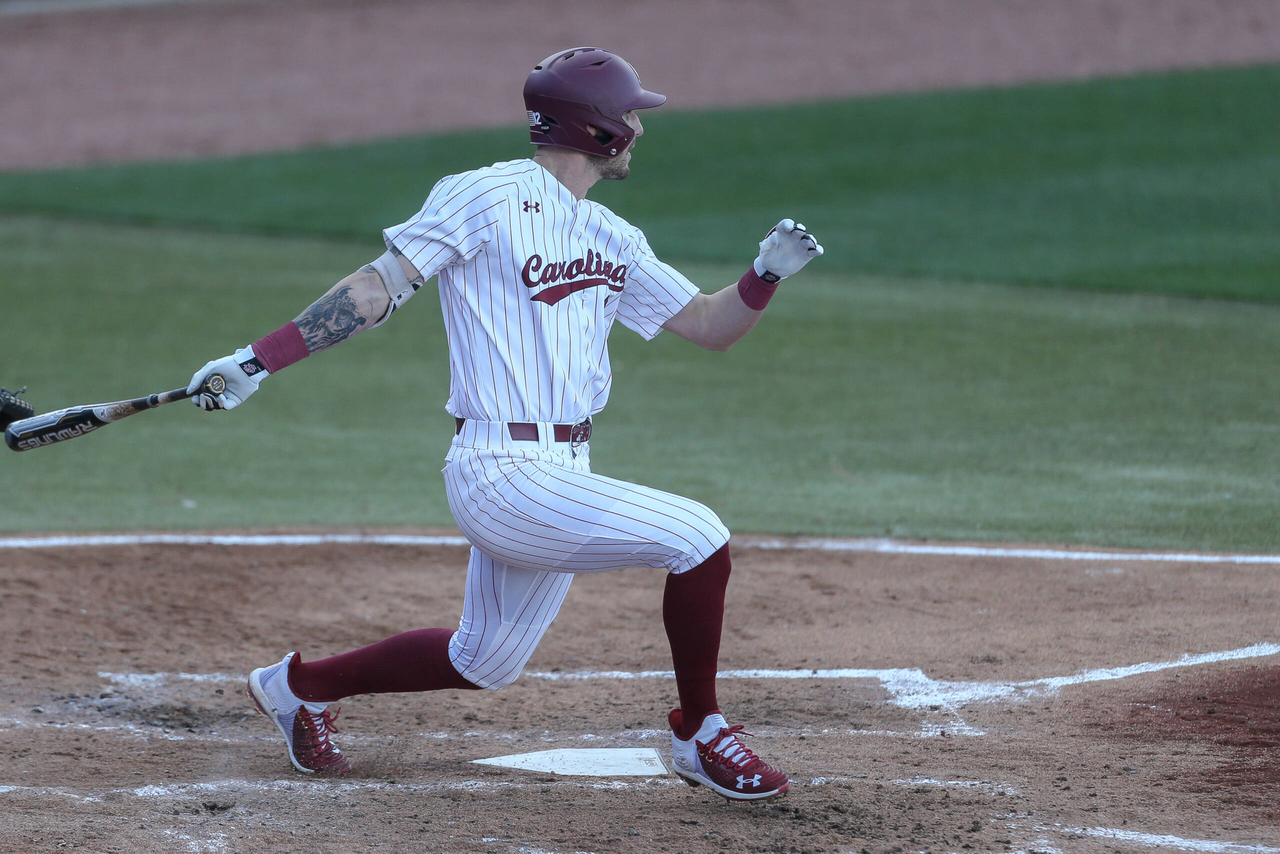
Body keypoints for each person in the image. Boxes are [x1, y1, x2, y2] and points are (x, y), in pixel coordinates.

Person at [187, 46, 822, 801]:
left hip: (564, 472)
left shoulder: (612, 236)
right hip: (499, 472)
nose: (640, 131)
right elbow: (378, 288)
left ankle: (297, 689)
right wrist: (258, 360)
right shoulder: (484, 196)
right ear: (597, 128)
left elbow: (710, 326)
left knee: (484, 660)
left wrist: (764, 275)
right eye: (631, 116)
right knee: (698, 537)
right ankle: (701, 732)